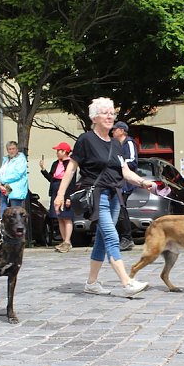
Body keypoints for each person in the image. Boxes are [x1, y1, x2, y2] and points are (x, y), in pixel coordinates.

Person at [53, 97, 151, 297]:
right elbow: (71, 169)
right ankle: (126, 283)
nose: (109, 116)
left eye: (112, 113)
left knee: (101, 240)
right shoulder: (85, 140)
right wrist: (60, 194)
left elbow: (124, 171)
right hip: (98, 197)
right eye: (105, 113)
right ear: (94, 117)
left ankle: (91, 283)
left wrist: (142, 182)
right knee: (111, 236)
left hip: (115, 195)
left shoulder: (116, 144)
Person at [40, 141, 75, 252]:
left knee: (67, 217)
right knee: (59, 217)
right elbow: (51, 179)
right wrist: (43, 170)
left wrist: (69, 197)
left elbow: (71, 182)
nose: (57, 153)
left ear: (65, 152)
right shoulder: (56, 163)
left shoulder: (70, 164)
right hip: (56, 193)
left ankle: (68, 241)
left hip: (65, 193)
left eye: (59, 150)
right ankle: (63, 240)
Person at [112, 121, 138, 251]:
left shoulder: (129, 143)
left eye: (115, 129)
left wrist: (118, 162)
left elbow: (133, 162)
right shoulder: (115, 144)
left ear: (122, 130)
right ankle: (117, 238)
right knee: (117, 210)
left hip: (125, 184)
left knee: (121, 210)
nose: (112, 131)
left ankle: (127, 238)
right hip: (117, 183)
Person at [0, 141, 28, 212]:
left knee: (15, 212)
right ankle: (3, 222)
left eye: (13, 149)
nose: (11, 151)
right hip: (3, 188)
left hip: (15, 190)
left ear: (17, 149)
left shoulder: (21, 159)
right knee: (3, 209)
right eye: (9, 149)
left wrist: (3, 180)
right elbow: (1, 172)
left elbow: (18, 174)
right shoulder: (5, 160)